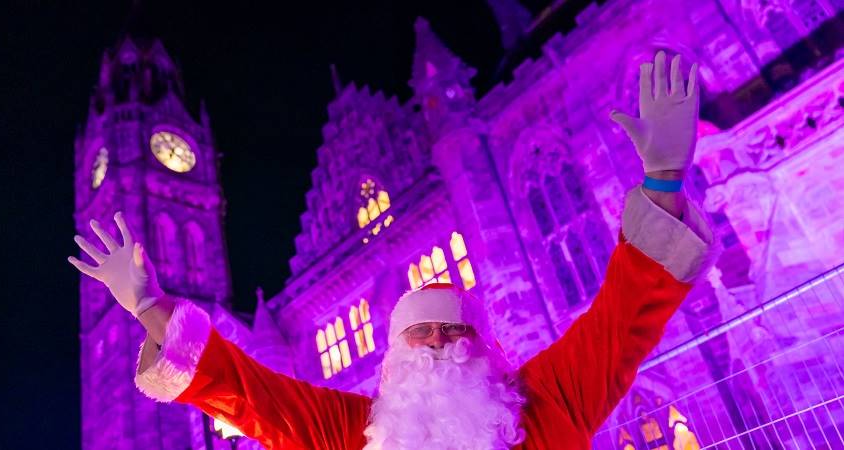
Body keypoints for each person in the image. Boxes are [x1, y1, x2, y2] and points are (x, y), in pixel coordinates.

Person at [69, 51, 718, 449]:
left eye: (449, 332)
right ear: (390, 360)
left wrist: (661, 180)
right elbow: (247, 394)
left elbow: (622, 318)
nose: (437, 345)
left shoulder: (549, 404)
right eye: (423, 335)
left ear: (484, 346)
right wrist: (151, 305)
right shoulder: (358, 434)